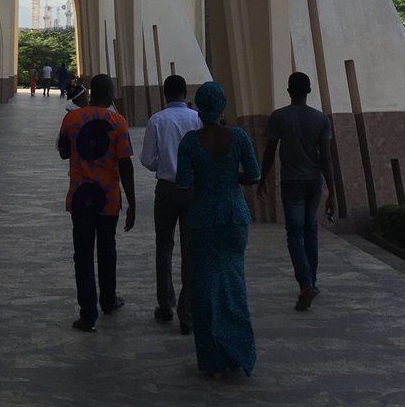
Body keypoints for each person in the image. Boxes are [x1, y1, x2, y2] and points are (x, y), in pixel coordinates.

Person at [175, 81, 259, 376]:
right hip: (235, 216)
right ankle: (239, 353)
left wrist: (205, 177)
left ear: (198, 107)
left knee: (205, 287)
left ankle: (213, 358)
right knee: (234, 283)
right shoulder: (238, 137)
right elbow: (254, 173)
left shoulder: (190, 142)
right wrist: (230, 176)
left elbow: (183, 182)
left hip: (203, 218)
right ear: (222, 106)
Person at [57, 73, 136, 332]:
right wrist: (132, 202)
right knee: (107, 250)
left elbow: (64, 151)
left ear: (91, 92)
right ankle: (109, 299)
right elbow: (125, 164)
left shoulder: (71, 118)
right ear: (111, 95)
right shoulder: (118, 121)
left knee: (82, 254)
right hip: (108, 198)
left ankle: (88, 313)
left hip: (81, 197)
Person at [258, 71, 335, 311]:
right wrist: (332, 190)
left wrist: (263, 178)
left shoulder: (279, 117)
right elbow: (326, 158)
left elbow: (270, 151)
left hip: (291, 182)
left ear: (289, 91)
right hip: (314, 181)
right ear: (309, 91)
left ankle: (305, 283)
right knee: (310, 230)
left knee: (294, 234)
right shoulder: (321, 119)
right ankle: (311, 280)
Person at [140, 74, 201, 334]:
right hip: (192, 189)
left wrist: (164, 166)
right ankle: (187, 314)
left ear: (165, 94)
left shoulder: (157, 120)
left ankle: (165, 304)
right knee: (191, 249)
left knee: (164, 246)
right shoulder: (196, 119)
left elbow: (147, 159)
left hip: (166, 189)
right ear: (185, 93)